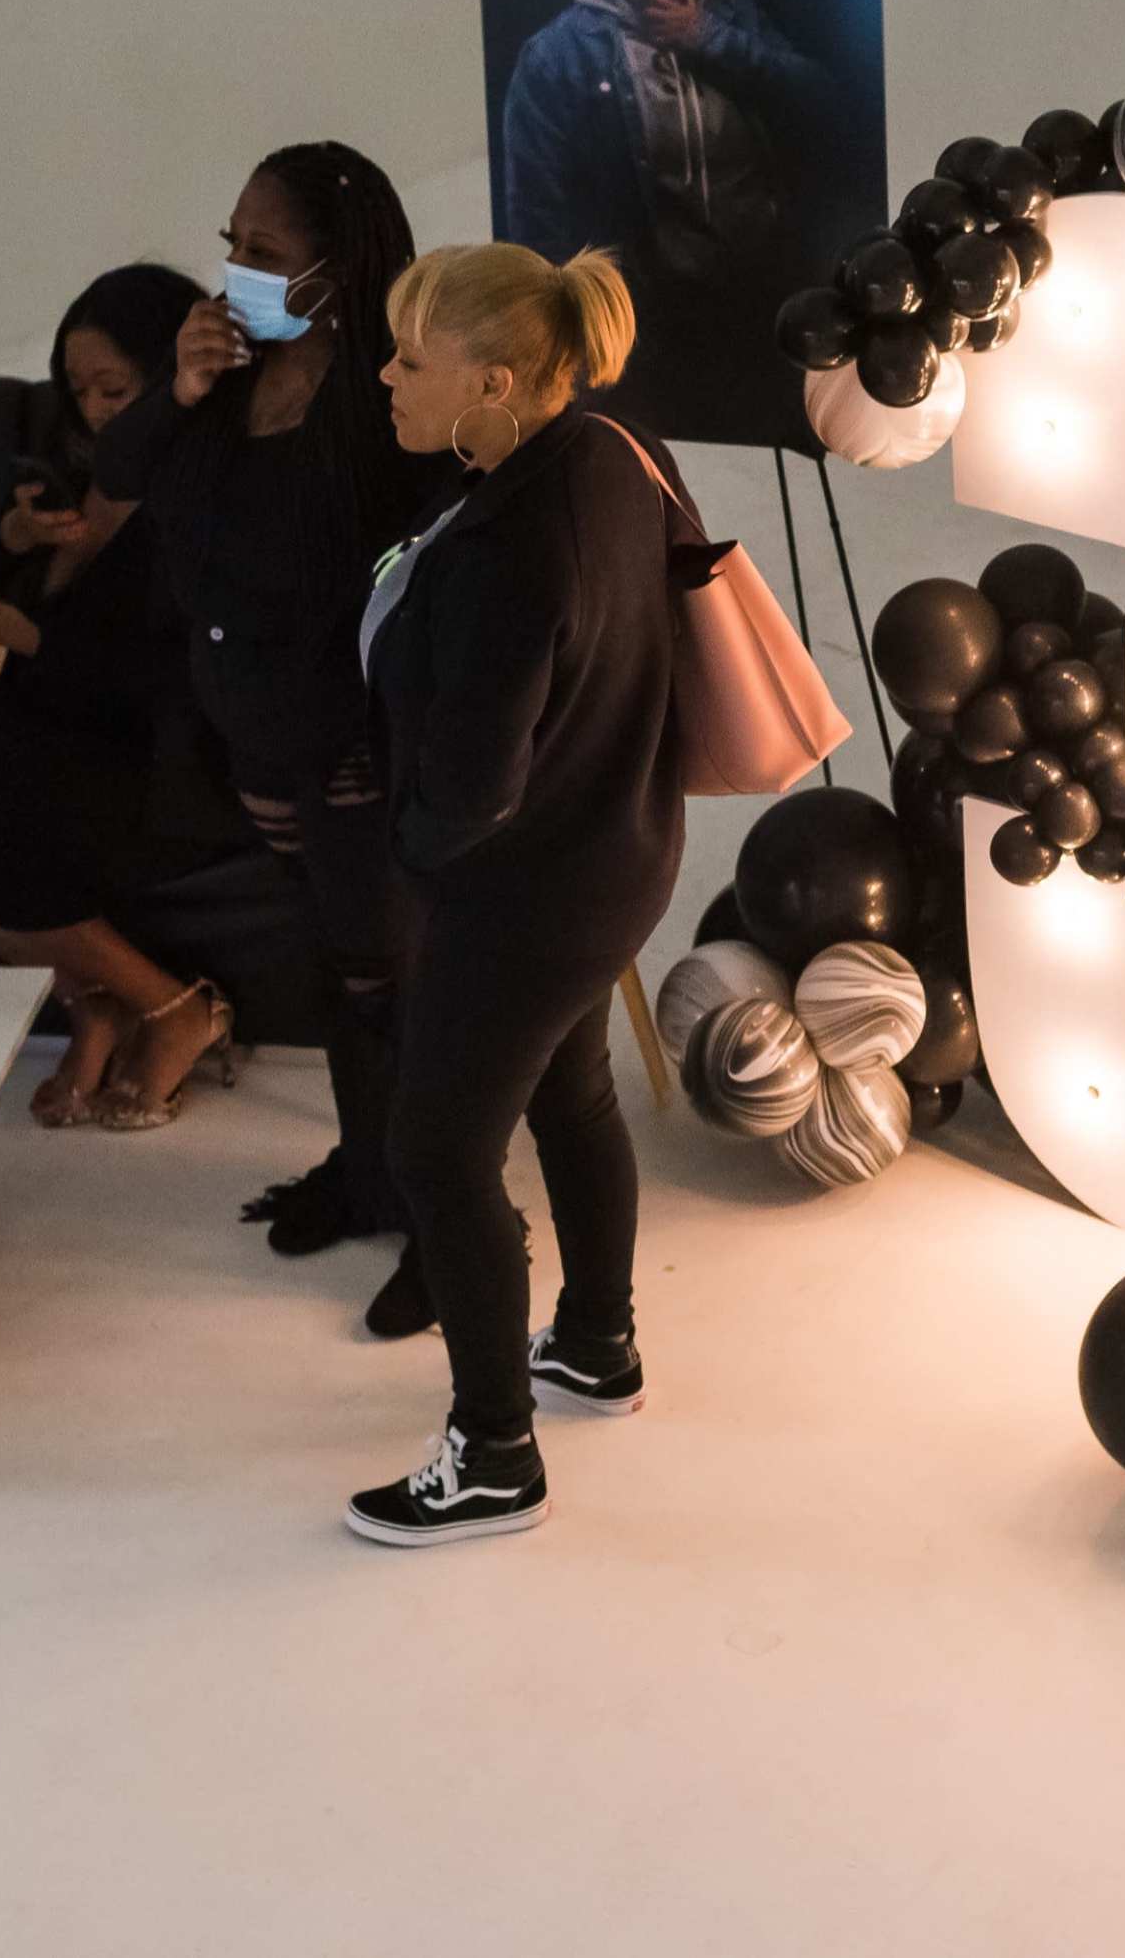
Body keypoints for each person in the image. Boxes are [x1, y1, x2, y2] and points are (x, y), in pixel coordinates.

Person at [342, 244, 687, 1548]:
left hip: (523, 895)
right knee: (574, 1087)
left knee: (434, 1149)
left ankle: (493, 1456)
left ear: (493, 383)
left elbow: (474, 785)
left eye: (408, 360)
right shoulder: (608, 440)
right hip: (617, 856)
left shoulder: (504, 544)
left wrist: (414, 860)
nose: (384, 378)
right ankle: (597, 1342)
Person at [95, 146, 463, 1290]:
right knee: (331, 965)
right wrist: (181, 388)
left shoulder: (390, 394)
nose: (235, 272)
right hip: (253, 736)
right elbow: (117, 469)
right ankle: (366, 1169)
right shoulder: (231, 374)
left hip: (355, 743)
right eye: (232, 245)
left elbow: (435, 572)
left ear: (337, 271)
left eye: (266, 253)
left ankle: (444, 1220)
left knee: (386, 976)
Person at [0, 264, 221, 1125]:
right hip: (43, 714)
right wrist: (12, 535)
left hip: (141, 742)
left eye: (115, 387)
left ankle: (178, 1009)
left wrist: (14, 631)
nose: (95, 408)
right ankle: (91, 1001)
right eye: (78, 387)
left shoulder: (203, 490)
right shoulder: (75, 462)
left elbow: (151, 674)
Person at [495, 0, 833, 291]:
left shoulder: (737, 17)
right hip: (633, 309)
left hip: (759, 292)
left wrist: (708, 38)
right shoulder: (557, 54)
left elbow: (825, 107)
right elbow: (536, 210)